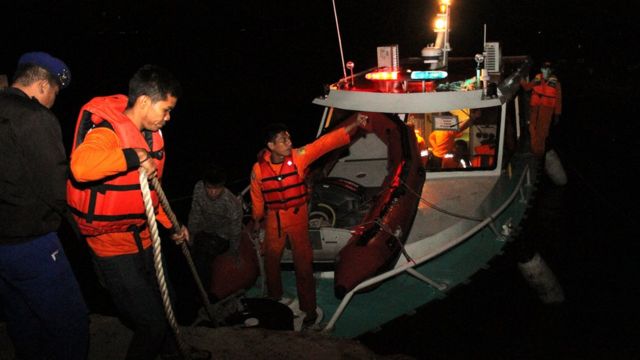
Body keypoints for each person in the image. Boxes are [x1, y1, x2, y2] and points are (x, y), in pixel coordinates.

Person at [66, 64, 209, 360]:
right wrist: (133, 156)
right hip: (112, 248)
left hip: (145, 240)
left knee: (168, 306)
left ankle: (175, 353)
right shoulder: (106, 131)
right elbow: (80, 167)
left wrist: (173, 227)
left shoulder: (150, 137)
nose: (168, 118)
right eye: (166, 109)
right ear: (144, 101)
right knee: (151, 324)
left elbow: (151, 198)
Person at [0, 52, 89, 360]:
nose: (54, 98)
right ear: (40, 85)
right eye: (54, 90)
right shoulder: (36, 118)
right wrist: (82, 229)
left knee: (21, 318)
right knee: (71, 324)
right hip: (32, 244)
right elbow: (56, 188)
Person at [250, 113, 368, 326]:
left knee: (303, 265)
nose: (289, 142)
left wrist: (354, 124)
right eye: (283, 139)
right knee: (271, 259)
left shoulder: (299, 156)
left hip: (298, 217)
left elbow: (325, 143)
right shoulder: (258, 170)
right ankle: (275, 296)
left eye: (289, 138)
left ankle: (309, 309)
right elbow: (257, 197)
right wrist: (257, 220)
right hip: (274, 220)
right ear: (270, 145)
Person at [188, 163, 243, 298]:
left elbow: (235, 230)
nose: (212, 192)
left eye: (217, 188)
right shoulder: (199, 188)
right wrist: (191, 234)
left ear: (223, 186)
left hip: (221, 236)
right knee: (194, 252)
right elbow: (195, 212)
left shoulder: (231, 203)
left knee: (203, 256)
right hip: (204, 230)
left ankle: (206, 294)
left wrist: (234, 252)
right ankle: (197, 288)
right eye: (209, 188)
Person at [521, 61, 562, 157]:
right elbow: (527, 87)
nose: (545, 70)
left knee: (542, 132)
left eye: (548, 68)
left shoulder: (556, 83)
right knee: (532, 128)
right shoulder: (537, 78)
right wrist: (521, 80)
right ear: (541, 69)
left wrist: (557, 114)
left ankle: (538, 153)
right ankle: (534, 149)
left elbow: (559, 99)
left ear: (551, 70)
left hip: (547, 110)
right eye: (544, 68)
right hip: (535, 108)